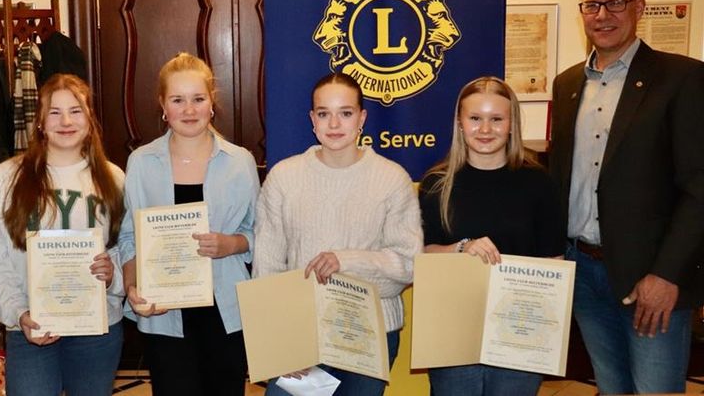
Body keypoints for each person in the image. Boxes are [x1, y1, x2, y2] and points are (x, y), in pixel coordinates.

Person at [550, 0, 704, 394]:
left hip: (650, 281)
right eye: (592, 5)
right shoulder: (566, 87)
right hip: (583, 270)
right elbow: (561, 178)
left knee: (655, 389)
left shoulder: (683, 79)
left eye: (616, 2)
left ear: (639, 7)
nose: (603, 15)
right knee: (611, 388)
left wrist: (667, 275)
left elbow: (699, 188)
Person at [253, 72, 422, 396]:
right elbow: (267, 266)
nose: (334, 124)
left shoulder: (392, 179)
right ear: (311, 119)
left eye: (345, 113)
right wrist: (277, 340)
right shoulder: (284, 178)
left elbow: (407, 265)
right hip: (300, 331)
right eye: (323, 113)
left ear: (362, 118)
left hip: (370, 333)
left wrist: (345, 261)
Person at [118, 52, 259, 396]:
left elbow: (260, 233)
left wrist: (231, 244)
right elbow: (129, 237)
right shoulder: (141, 163)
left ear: (212, 102)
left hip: (226, 311)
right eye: (178, 100)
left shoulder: (240, 162)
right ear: (163, 106)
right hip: (164, 312)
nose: (189, 109)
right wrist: (133, 285)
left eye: (198, 98)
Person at [0, 74, 125, 396]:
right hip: (31, 328)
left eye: (75, 110)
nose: (66, 121)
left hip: (97, 330)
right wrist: (20, 313)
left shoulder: (114, 179)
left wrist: (113, 274)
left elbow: (127, 251)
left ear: (89, 118)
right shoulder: (7, 178)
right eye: (54, 112)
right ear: (40, 121)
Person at [419, 76, 565, 395]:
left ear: (512, 123)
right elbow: (424, 255)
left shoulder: (539, 184)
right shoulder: (436, 184)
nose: (485, 130)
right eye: (475, 119)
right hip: (453, 335)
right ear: (460, 123)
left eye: (496, 119)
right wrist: (462, 248)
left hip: (519, 333)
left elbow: (554, 262)